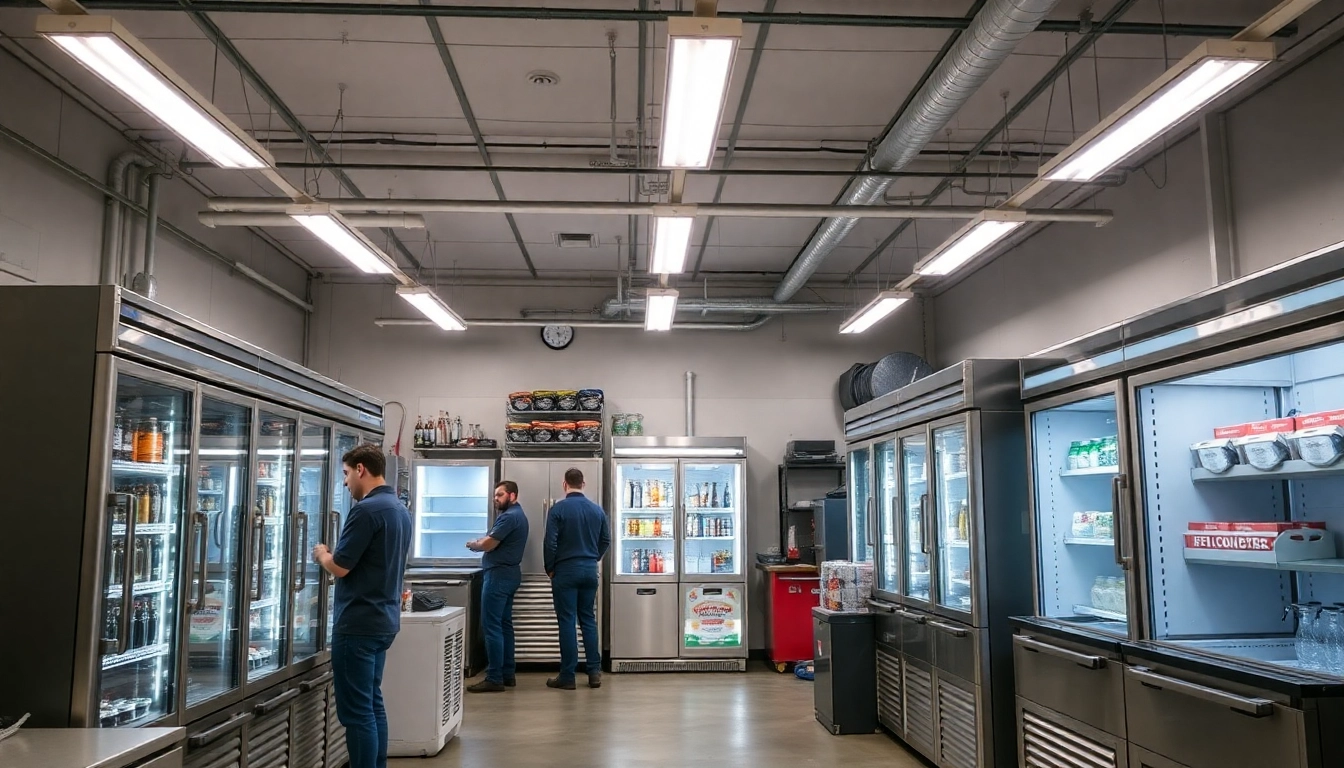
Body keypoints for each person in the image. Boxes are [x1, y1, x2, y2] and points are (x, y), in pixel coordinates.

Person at [312, 443, 411, 768]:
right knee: (371, 703)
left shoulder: (366, 510)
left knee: (356, 713)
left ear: (361, 470)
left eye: (345, 474)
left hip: (357, 624)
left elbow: (341, 566)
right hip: (383, 620)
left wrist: (322, 554)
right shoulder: (398, 509)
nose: (344, 483)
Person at [543, 467, 610, 690]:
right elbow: (606, 541)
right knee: (588, 620)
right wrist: (593, 559)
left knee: (567, 621)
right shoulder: (597, 510)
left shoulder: (558, 510)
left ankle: (568, 676)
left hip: (566, 571)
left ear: (565, 485)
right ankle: (594, 673)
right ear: (583, 484)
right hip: (590, 570)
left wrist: (550, 568)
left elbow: (550, 542)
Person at [464, 480, 529, 693]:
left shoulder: (510, 517)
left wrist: (473, 544)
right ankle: (507, 673)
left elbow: (488, 544)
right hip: (509, 575)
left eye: (500, 495)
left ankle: (494, 678)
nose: (495, 499)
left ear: (512, 496)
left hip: (498, 576)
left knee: (492, 627)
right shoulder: (515, 516)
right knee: (504, 625)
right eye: (495, 495)